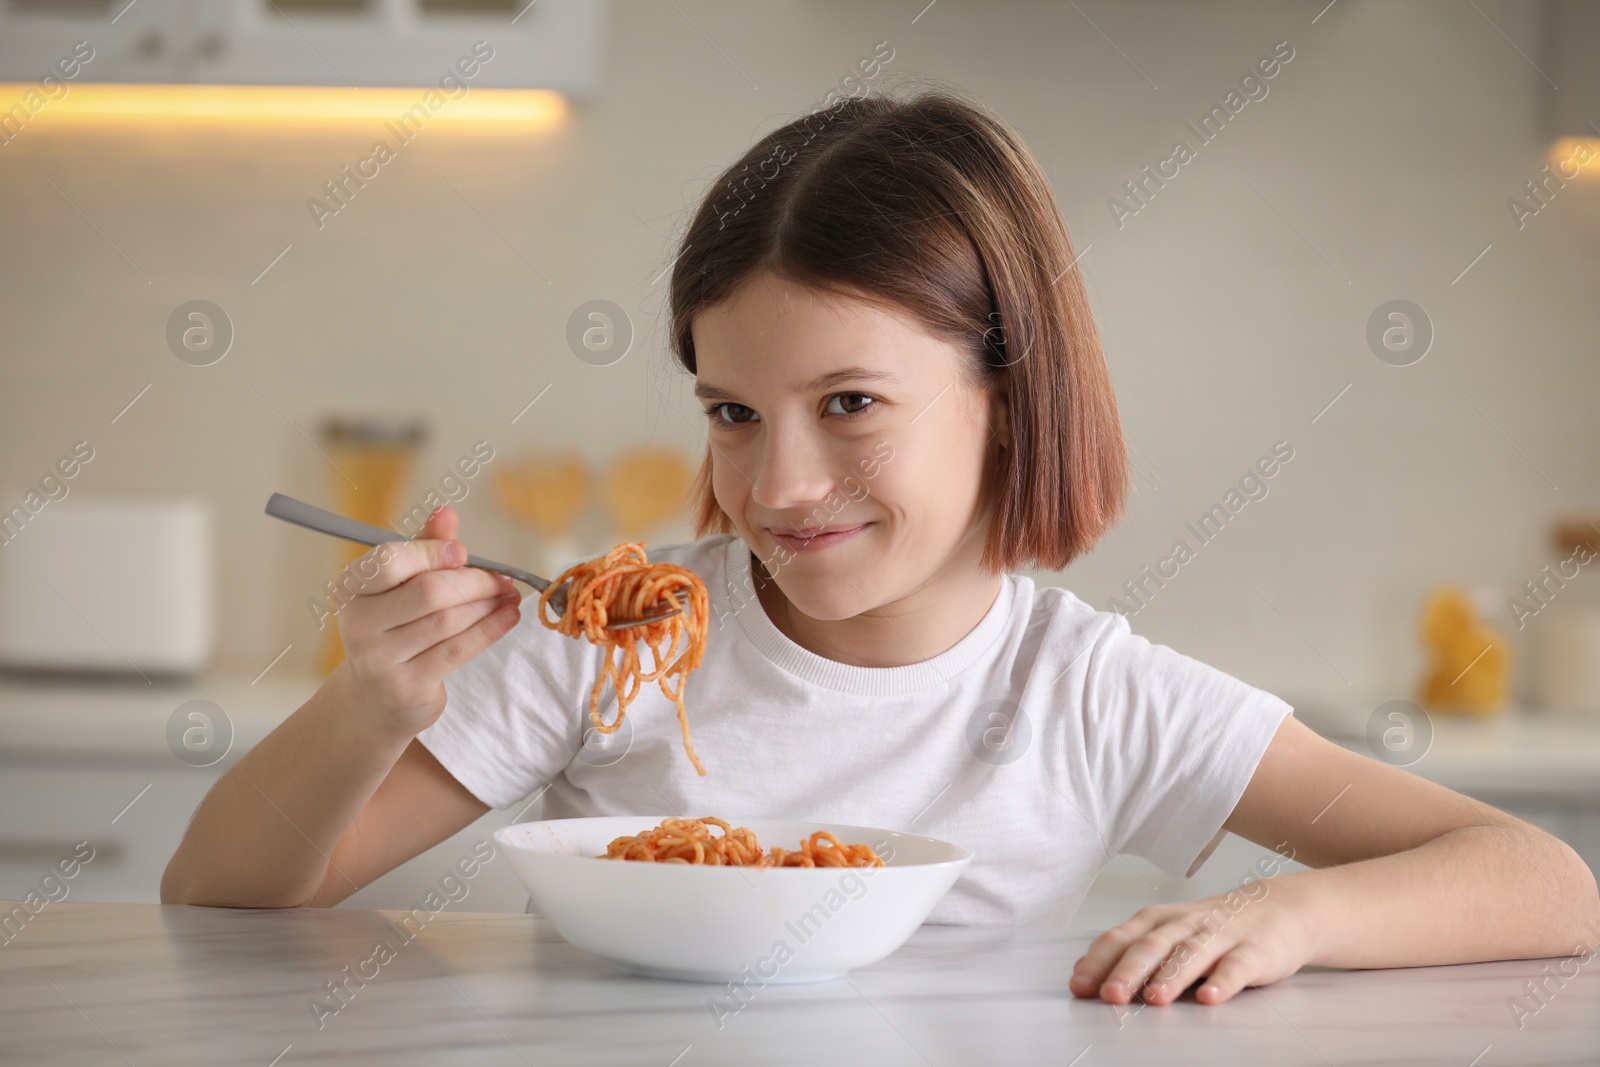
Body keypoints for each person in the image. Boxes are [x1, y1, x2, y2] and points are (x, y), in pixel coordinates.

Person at [163, 81, 1598, 1008]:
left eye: (850, 404)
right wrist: (366, 704)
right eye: (732, 410)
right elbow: (220, 898)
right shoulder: (611, 642)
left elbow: (1547, 885)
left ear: (1006, 398)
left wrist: (1289, 918)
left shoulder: (1088, 692)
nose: (778, 482)